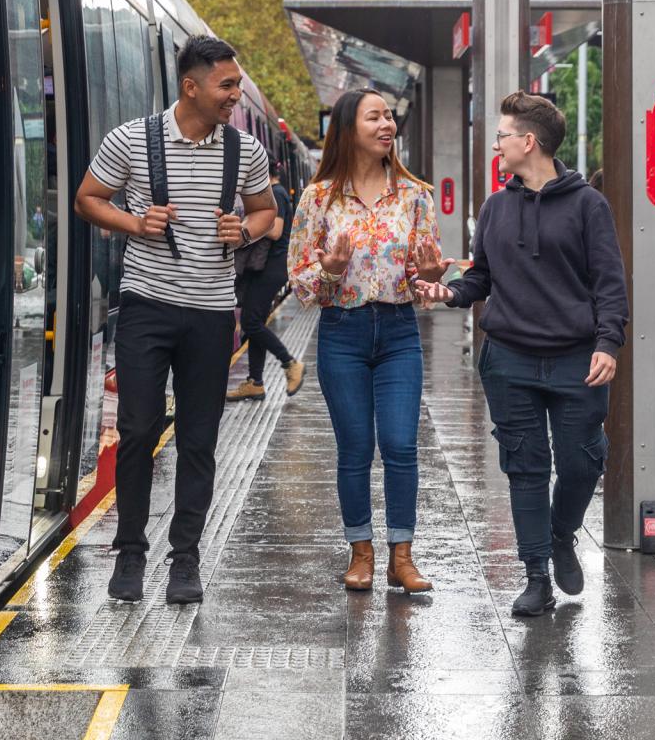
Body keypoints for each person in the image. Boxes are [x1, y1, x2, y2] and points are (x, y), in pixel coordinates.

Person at [74, 35, 277, 605]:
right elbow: (88, 199)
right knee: (138, 429)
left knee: (198, 438)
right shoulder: (132, 140)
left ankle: (184, 558)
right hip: (146, 306)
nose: (235, 96)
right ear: (192, 87)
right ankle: (130, 550)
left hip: (212, 314)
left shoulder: (245, 151)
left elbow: (266, 212)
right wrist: (135, 224)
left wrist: (247, 229)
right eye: (227, 85)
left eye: (236, 84)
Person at [415, 93, 629, 618]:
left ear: (527, 142)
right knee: (526, 467)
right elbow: (483, 278)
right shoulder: (495, 206)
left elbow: (610, 283)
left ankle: (561, 535)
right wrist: (452, 293)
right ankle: (536, 576)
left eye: (503, 135)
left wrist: (608, 343)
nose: (496, 144)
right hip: (508, 359)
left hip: (576, 359)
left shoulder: (587, 205)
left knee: (584, 459)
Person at [287, 88, 446, 595]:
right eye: (374, 116)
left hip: (399, 331)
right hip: (342, 332)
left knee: (400, 445)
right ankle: (361, 553)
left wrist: (429, 275)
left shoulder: (415, 195)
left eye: (390, 117)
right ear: (348, 127)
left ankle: (403, 556)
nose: (387, 125)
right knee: (354, 448)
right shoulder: (318, 199)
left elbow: (426, 283)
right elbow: (301, 283)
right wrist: (329, 270)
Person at [227, 163, 306, 401]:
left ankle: (290, 363)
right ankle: (256, 382)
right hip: (266, 267)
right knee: (255, 321)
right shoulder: (275, 193)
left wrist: (243, 228)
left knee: (251, 322)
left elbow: (275, 231)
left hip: (272, 267)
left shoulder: (277, 194)